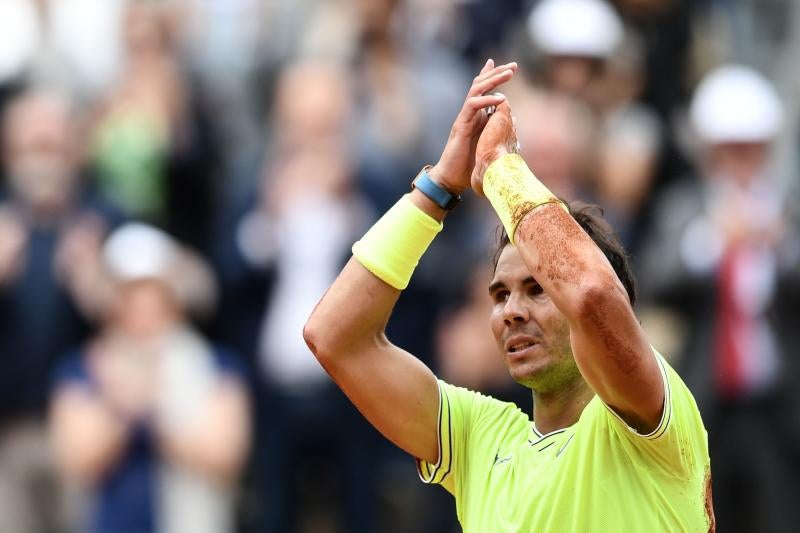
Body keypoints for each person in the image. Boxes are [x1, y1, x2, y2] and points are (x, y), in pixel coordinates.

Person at [303, 59, 714, 531]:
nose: (512, 311)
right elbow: (334, 336)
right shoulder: (480, 436)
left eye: (537, 289)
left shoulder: (650, 414)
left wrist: (500, 169)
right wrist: (437, 187)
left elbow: (592, 294)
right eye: (499, 296)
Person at [50, 223, 250, 533]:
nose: (142, 308)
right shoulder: (80, 367)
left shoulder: (216, 365)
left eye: (153, 293)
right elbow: (77, 460)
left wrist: (157, 408)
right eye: (130, 295)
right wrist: (123, 410)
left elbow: (225, 457)